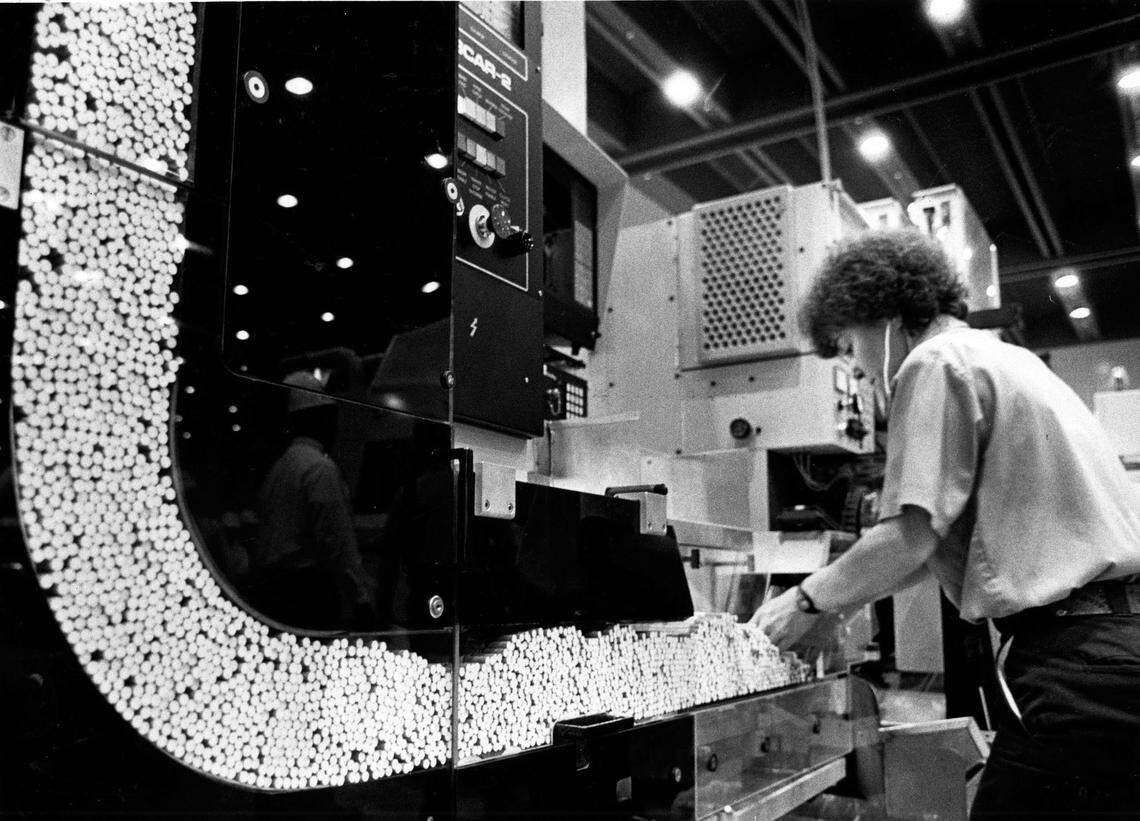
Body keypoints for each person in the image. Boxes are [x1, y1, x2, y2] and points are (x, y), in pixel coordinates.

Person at [750, 229, 1140, 818]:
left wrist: (804, 602)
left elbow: (909, 535)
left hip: (1075, 664)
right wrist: (844, 604)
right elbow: (932, 546)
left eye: (851, 347)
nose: (858, 370)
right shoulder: (1007, 359)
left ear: (880, 315)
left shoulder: (933, 363)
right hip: (1115, 643)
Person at [249, 371, 376, 630]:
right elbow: (337, 541)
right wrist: (362, 598)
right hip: (307, 591)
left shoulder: (280, 468)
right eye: (329, 418)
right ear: (316, 419)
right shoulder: (320, 469)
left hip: (271, 590)